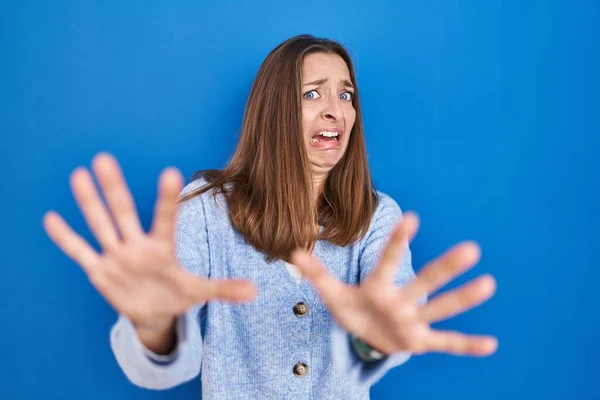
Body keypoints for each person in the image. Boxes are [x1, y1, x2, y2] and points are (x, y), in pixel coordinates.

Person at [43, 34, 498, 399]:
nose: (334, 110)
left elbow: (381, 334)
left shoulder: (377, 215)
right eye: (312, 94)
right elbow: (168, 367)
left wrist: (375, 337)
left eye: (345, 94)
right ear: (275, 110)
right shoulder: (206, 207)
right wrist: (154, 326)